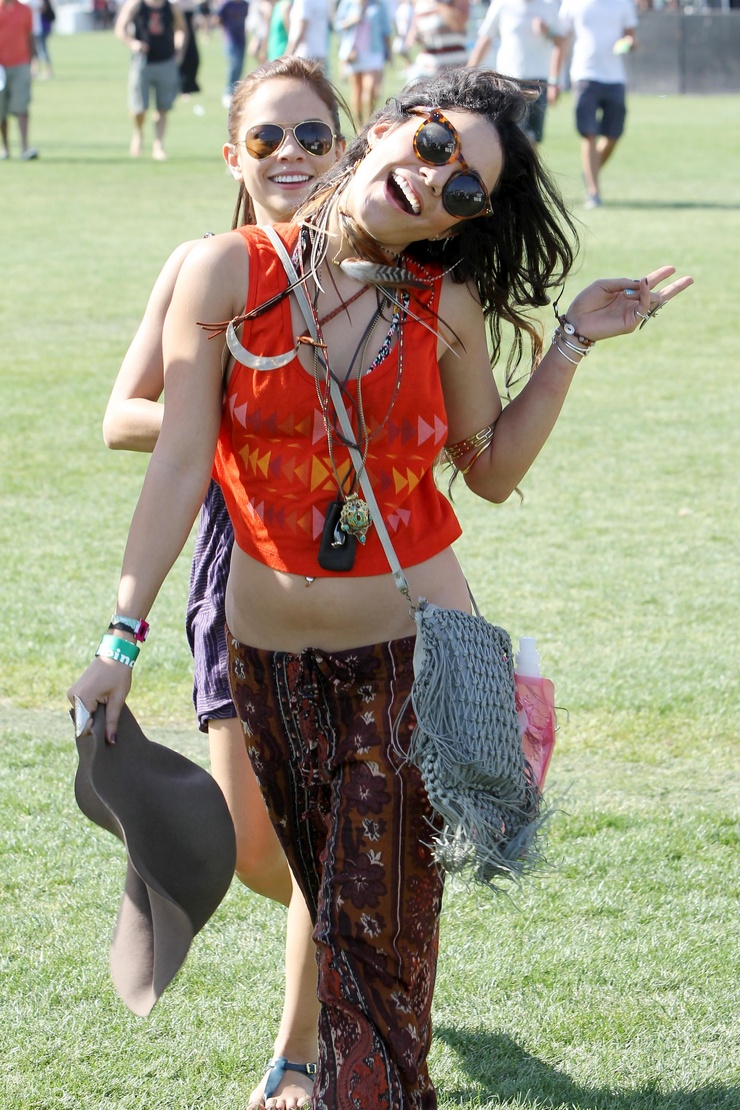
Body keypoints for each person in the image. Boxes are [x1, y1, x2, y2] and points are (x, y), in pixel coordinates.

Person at [70, 67, 692, 1109]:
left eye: (465, 188)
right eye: (436, 144)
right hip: (265, 664)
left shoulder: (447, 305)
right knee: (316, 886)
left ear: (465, 221)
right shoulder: (226, 272)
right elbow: (177, 461)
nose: (435, 178)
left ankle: (347, 1082)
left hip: (409, 661)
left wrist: (573, 343)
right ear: (392, 128)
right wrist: (119, 640)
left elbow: (487, 469)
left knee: (377, 926)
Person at [101, 56, 347, 1109]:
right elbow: (123, 416)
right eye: (267, 137)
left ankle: (299, 1052)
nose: (291, 154)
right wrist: (231, 415)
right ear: (233, 155)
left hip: (346, 575)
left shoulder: (379, 271)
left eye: (313, 136)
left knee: (327, 833)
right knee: (255, 849)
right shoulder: (201, 266)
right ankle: (353, 909)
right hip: (231, 563)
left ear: (346, 150)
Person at [550, 0, 638, 207]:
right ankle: (593, 192)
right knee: (589, 133)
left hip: (615, 78)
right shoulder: (572, 3)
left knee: (613, 135)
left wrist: (628, 42)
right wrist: (554, 79)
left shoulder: (623, 3)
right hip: (584, 76)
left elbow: (632, 37)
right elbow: (561, 41)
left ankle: (591, 170)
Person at [467, 0, 564, 145]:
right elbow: (486, 39)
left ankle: (526, 161)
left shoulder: (549, 5)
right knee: (509, 135)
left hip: (537, 81)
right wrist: (468, 73)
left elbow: (561, 41)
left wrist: (547, 31)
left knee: (532, 137)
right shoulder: (502, 4)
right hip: (508, 80)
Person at [114, 0, 186, 161]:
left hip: (166, 61)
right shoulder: (135, 5)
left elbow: (181, 29)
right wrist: (132, 43)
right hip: (142, 62)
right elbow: (120, 29)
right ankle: (138, 133)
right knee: (138, 108)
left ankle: (158, 145)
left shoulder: (171, 7)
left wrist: (179, 52)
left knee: (163, 107)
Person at [335, 0, 392, 123]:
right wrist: (351, 20)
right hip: (354, 52)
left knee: (371, 87)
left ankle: (369, 120)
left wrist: (389, 51)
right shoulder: (347, 4)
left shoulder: (378, 5)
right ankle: (359, 123)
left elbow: (386, 29)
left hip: (374, 51)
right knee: (357, 90)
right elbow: (338, 26)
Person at [0, 0, 38, 159]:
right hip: (1, 67)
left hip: (21, 64)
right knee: (1, 110)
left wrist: (34, 60)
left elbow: (30, 35)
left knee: (22, 106)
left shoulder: (25, 10)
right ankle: (5, 148)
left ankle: (25, 147)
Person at [404, 0, 470, 83]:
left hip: (455, 67)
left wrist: (440, 5)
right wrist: (416, 37)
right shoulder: (418, 2)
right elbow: (413, 34)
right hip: (426, 66)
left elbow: (458, 24)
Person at [216, 0, 249, 108]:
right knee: (234, 65)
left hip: (242, 40)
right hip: (230, 40)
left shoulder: (245, 4)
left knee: (240, 67)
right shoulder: (227, 4)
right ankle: (228, 92)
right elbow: (218, 19)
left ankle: (237, 92)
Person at [285, 0, 330, 69]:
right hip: (320, 53)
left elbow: (300, 31)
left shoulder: (303, 1)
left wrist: (286, 57)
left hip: (304, 56)